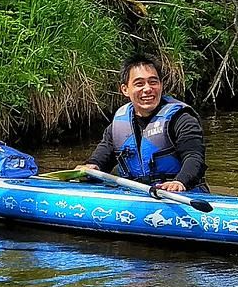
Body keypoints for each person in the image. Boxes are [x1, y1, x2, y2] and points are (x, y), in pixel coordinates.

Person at [78, 54, 208, 192]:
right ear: (125, 89)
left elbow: (194, 157)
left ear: (161, 85)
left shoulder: (182, 119)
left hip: (181, 194)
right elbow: (102, 157)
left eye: (153, 82)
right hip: (138, 195)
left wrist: (180, 182)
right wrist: (92, 166)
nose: (147, 89)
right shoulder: (118, 127)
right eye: (139, 84)